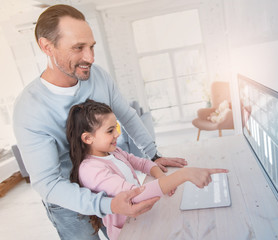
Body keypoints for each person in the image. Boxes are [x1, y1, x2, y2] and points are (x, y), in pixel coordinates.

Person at [12, 4, 187, 239]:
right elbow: (48, 184)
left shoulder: (99, 77)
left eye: (92, 46)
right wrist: (108, 205)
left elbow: (127, 116)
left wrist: (153, 155)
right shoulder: (29, 108)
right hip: (69, 202)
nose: (90, 58)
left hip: (111, 182)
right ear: (47, 46)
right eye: (78, 48)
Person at [66, 99, 228, 240]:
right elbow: (134, 196)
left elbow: (142, 163)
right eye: (110, 131)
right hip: (128, 231)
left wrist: (160, 178)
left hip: (142, 219)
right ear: (88, 138)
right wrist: (184, 174)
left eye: (116, 127)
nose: (117, 134)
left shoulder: (113, 151)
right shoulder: (91, 170)